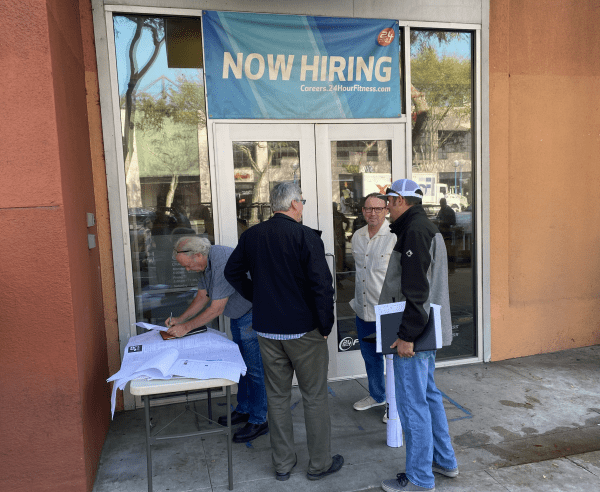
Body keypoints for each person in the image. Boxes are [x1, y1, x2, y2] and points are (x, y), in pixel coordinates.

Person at [224, 182, 344, 482]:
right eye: (301, 201)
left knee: (276, 398)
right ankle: (318, 465)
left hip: (268, 331)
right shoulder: (305, 236)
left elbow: (232, 272)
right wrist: (326, 325)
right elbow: (322, 286)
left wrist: (258, 297)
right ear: (292, 205)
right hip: (304, 331)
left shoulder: (252, 235)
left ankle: (282, 464)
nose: (302, 206)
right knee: (314, 397)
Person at [378, 179, 458, 492]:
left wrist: (407, 336)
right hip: (427, 331)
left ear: (400, 200)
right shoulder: (424, 227)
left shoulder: (414, 231)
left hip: (415, 334)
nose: (386, 208)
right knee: (428, 396)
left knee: (413, 406)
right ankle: (444, 461)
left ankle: (420, 478)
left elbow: (416, 289)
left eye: (388, 201)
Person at [167, 236, 268, 444]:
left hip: (252, 313)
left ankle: (259, 419)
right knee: (242, 367)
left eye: (187, 266)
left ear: (197, 255)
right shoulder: (205, 262)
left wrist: (185, 328)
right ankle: (245, 409)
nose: (187, 270)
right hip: (238, 314)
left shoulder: (222, 261)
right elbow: (202, 296)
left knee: (255, 369)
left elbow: (216, 308)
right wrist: (180, 319)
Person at [349, 193, 396, 422]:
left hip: (386, 310)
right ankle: (377, 395)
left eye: (378, 209)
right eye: (368, 209)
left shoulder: (394, 236)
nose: (373, 213)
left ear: (386, 210)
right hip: (363, 308)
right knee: (371, 358)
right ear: (362, 210)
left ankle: (393, 405)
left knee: (393, 361)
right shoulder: (357, 237)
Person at [436, 198, 457, 274]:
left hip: (447, 233)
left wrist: (443, 222)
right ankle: (445, 269)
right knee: (442, 252)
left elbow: (453, 222)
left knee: (449, 252)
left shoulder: (450, 211)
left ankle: (452, 269)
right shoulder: (441, 210)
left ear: (444, 203)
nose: (441, 205)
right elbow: (438, 218)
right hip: (441, 233)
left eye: (442, 203)